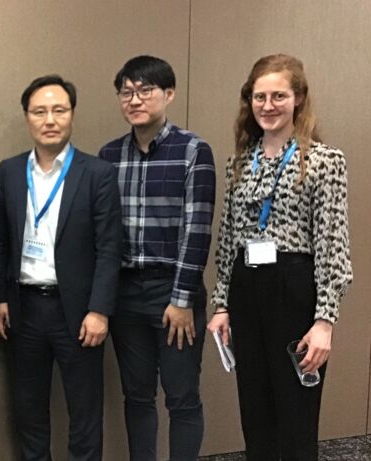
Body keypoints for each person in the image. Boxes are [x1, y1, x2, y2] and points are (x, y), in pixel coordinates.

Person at [207, 54, 352, 460]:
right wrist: (221, 303)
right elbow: (228, 238)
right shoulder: (239, 162)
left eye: (278, 96)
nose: (267, 105)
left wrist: (325, 321)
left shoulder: (324, 161)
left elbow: (332, 243)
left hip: (294, 287)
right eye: (259, 97)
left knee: (296, 411)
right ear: (248, 102)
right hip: (246, 285)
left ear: (299, 99)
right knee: (255, 409)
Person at [0, 74, 122, 460]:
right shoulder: (11, 171)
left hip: (79, 311)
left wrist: (99, 309)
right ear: (27, 117)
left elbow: (110, 247)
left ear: (72, 115)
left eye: (58, 110)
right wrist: (0, 297)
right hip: (25, 308)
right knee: (29, 410)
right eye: (39, 111)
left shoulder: (97, 173)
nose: (49, 119)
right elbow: (0, 240)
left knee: (84, 411)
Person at [98, 55, 216, 461]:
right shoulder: (109, 156)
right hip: (127, 293)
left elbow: (197, 229)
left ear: (169, 94)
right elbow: (105, 231)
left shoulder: (193, 151)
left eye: (145, 90)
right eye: (126, 91)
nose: (134, 99)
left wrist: (182, 300)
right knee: (137, 395)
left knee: (182, 397)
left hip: (174, 291)